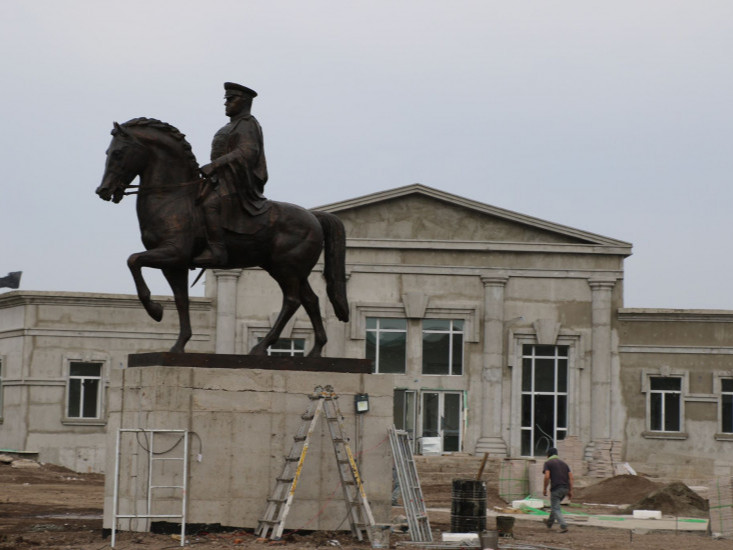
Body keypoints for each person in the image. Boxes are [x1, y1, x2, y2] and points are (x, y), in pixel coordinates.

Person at [194, 82, 269, 267]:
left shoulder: (248, 124)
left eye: (230, 99)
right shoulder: (230, 126)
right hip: (220, 178)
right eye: (225, 99)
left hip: (237, 181)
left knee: (210, 204)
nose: (226, 103)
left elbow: (247, 152)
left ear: (243, 101)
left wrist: (214, 165)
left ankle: (216, 250)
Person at [542, 446, 573, 533]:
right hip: (565, 488)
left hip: (556, 488)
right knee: (555, 506)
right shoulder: (564, 464)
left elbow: (547, 476)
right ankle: (549, 522)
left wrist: (544, 488)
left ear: (548, 455)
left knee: (555, 508)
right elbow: (571, 477)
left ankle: (563, 525)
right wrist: (570, 491)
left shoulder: (548, 463)